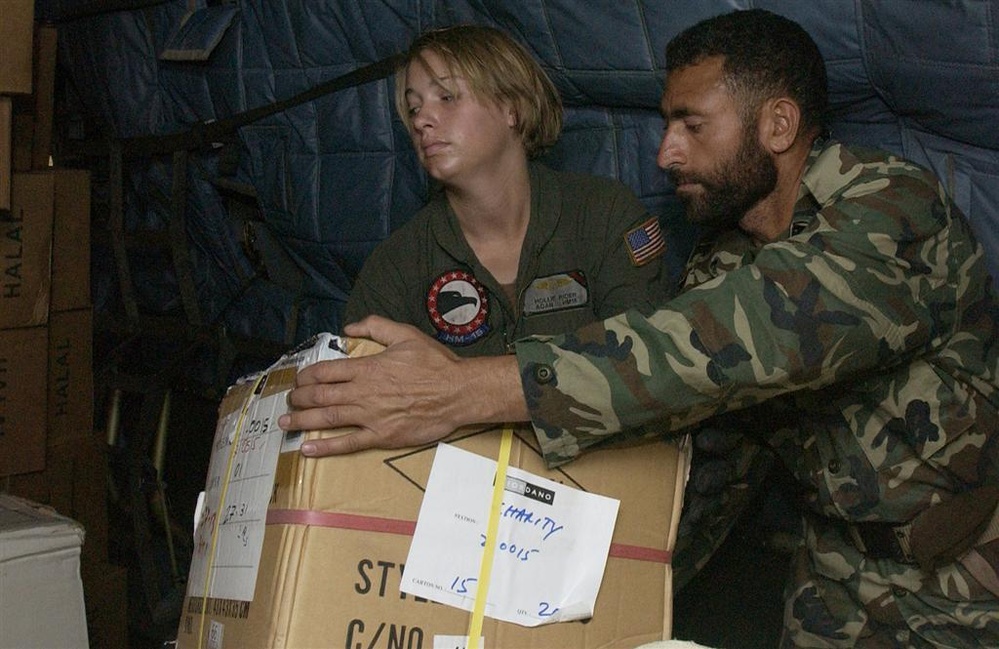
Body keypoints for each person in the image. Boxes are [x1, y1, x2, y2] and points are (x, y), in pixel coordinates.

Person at [281, 9, 999, 647]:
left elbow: (732, 343)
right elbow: (710, 451)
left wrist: (461, 391)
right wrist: (586, 602)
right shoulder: (724, 257)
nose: (664, 153)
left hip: (967, 565)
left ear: (776, 125)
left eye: (691, 124)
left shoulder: (888, 207)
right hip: (834, 568)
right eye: (664, 124)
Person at [345, 24, 670, 355]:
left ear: (512, 108)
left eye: (447, 97)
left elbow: (644, 371)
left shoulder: (605, 217)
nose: (420, 120)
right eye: (414, 108)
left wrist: (456, 382)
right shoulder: (397, 265)